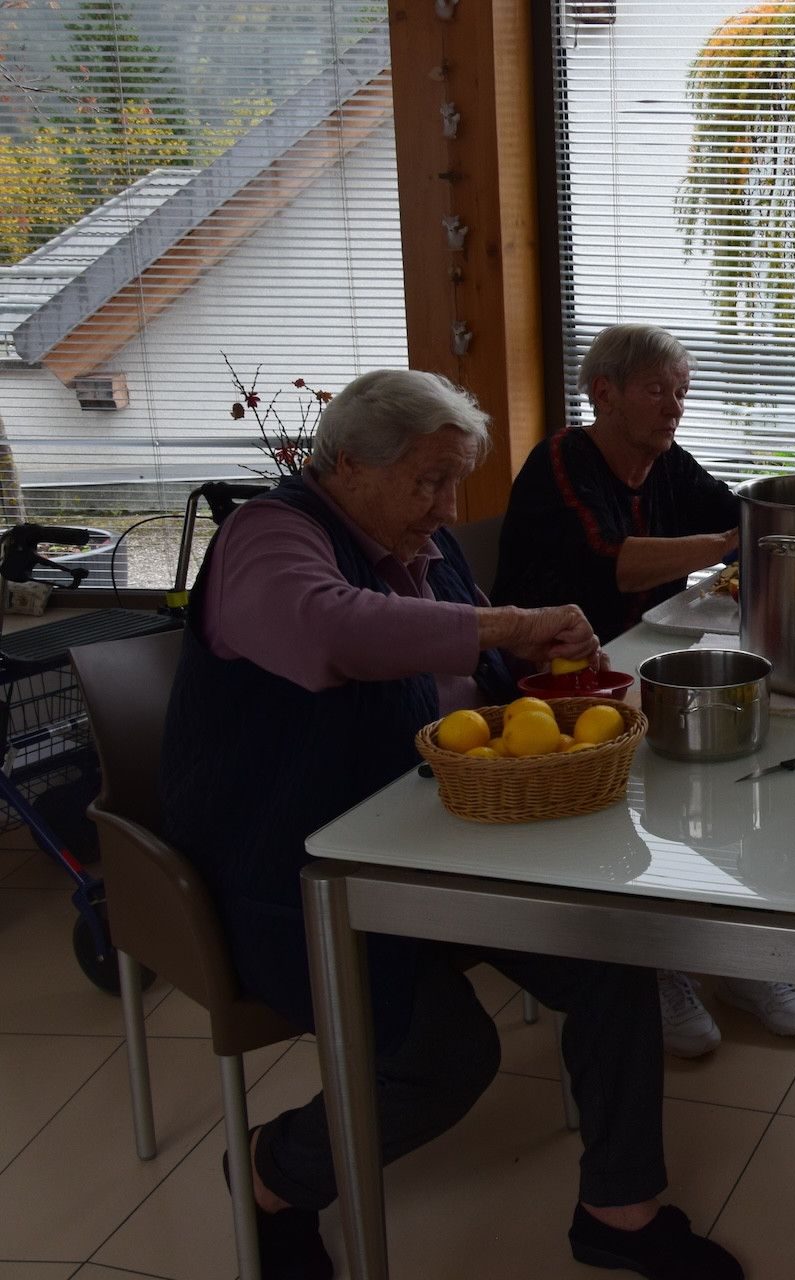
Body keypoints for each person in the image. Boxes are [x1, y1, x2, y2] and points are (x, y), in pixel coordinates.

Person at [162, 369, 742, 1280]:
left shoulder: (422, 546)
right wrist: (501, 622)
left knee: (612, 953)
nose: (444, 506)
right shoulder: (269, 535)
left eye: (455, 482)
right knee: (445, 1057)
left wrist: (560, 686)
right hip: (293, 871)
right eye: (429, 480)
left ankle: (619, 1212)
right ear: (348, 463)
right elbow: (328, 632)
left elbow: (476, 688)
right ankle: (276, 1174)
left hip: (439, 835)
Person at [494, 323, 795, 1057]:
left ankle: (734, 954)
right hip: (557, 690)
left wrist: (785, 523)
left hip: (643, 660)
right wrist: (733, 545)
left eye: (681, 392)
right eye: (657, 391)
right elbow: (615, 564)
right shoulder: (560, 465)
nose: (674, 407)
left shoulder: (665, 463)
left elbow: (736, 514)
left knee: (739, 776)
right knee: (659, 797)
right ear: (603, 393)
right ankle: (654, 965)